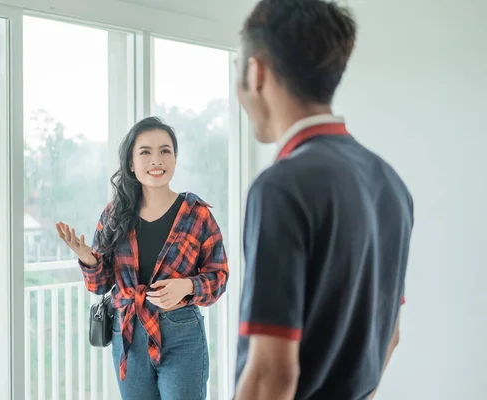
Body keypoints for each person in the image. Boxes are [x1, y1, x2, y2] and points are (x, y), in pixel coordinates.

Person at [233, 1, 413, 399]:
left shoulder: (280, 187)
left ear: (256, 72)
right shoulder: (390, 183)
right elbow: (390, 335)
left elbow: (271, 374)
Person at [56, 116, 229, 400]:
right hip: (128, 332)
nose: (156, 160)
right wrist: (89, 260)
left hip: (182, 333)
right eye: (145, 152)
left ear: (175, 158)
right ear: (131, 163)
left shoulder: (197, 214)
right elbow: (100, 286)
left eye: (165, 151)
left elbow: (219, 277)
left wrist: (187, 287)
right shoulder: (114, 215)